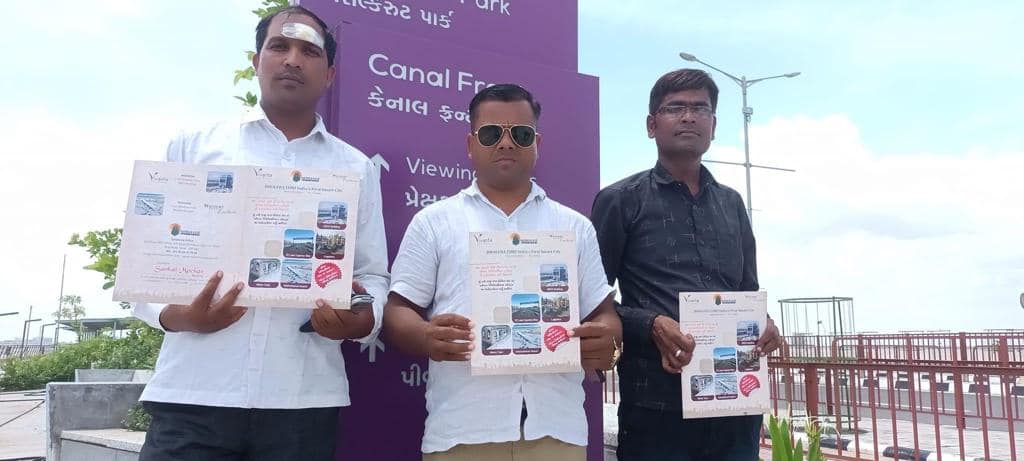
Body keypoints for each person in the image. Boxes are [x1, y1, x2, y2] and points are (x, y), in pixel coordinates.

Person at [132, 7, 389, 460]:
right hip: (193, 394)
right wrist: (179, 316)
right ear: (256, 61)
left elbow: (373, 275)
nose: (292, 60)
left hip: (303, 402)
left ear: (329, 75)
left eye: (309, 51)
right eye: (279, 46)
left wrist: (360, 319)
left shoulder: (355, 169)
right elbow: (147, 260)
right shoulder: (194, 146)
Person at [383, 83, 622, 461]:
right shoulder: (434, 223)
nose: (506, 143)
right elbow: (397, 310)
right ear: (470, 144)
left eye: (521, 134)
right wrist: (426, 336)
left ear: (537, 144)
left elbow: (605, 316)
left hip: (556, 432)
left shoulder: (574, 228)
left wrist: (607, 343)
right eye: (491, 133)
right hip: (462, 431)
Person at [591, 68, 783, 460]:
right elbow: (592, 300)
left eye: (700, 108)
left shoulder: (732, 204)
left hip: (735, 402)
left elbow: (747, 291)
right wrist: (650, 324)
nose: (689, 117)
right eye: (675, 107)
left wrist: (765, 323)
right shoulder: (621, 200)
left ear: (713, 125)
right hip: (656, 406)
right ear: (652, 125)